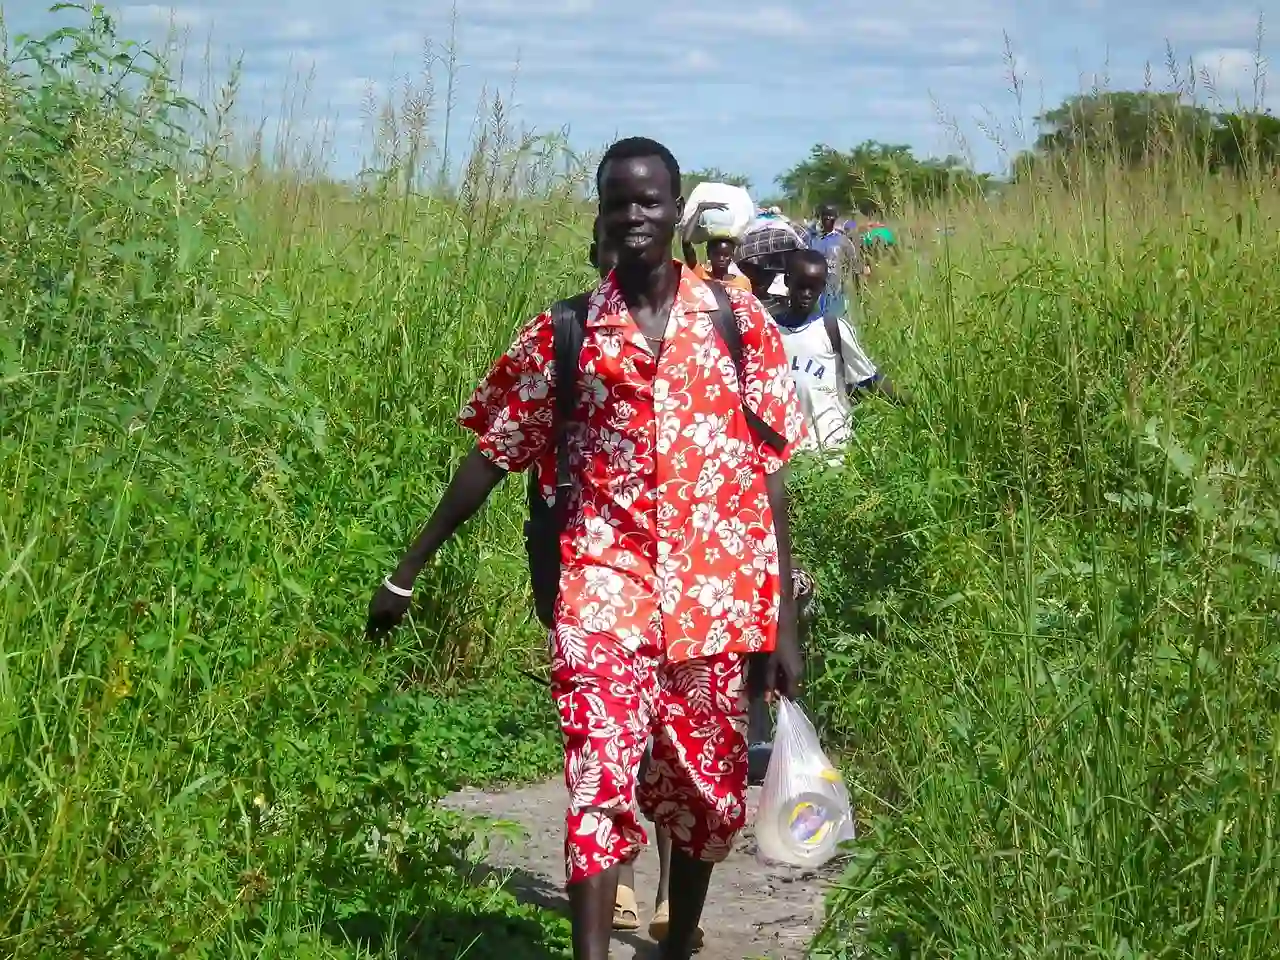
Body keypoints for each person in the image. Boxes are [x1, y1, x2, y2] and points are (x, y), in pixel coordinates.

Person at [366, 136, 806, 960]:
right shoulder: (566, 331)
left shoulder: (738, 322)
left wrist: (783, 619)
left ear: (675, 211)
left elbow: (769, 474)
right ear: (599, 212)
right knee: (598, 780)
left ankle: (681, 940)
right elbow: (493, 453)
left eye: (649, 200)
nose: (634, 214)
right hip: (603, 584)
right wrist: (408, 568)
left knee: (706, 795)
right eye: (618, 200)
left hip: (717, 596)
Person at [773, 249, 906, 455]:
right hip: (788, 449)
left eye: (814, 287)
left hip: (831, 445)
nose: (807, 293)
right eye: (801, 285)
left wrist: (906, 402)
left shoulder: (833, 328)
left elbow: (868, 379)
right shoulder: (770, 329)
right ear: (788, 281)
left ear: (823, 288)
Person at [679, 199, 753, 293]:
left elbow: (747, 305)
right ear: (708, 254)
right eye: (716, 254)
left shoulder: (742, 283)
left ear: (732, 255)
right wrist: (699, 210)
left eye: (726, 255)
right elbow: (686, 242)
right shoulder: (701, 276)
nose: (721, 258)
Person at [809, 203, 867, 313]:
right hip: (818, 290)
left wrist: (860, 287)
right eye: (825, 216)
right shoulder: (814, 240)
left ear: (835, 218)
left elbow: (854, 263)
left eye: (831, 216)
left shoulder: (843, 241)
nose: (827, 219)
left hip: (838, 290)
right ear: (821, 218)